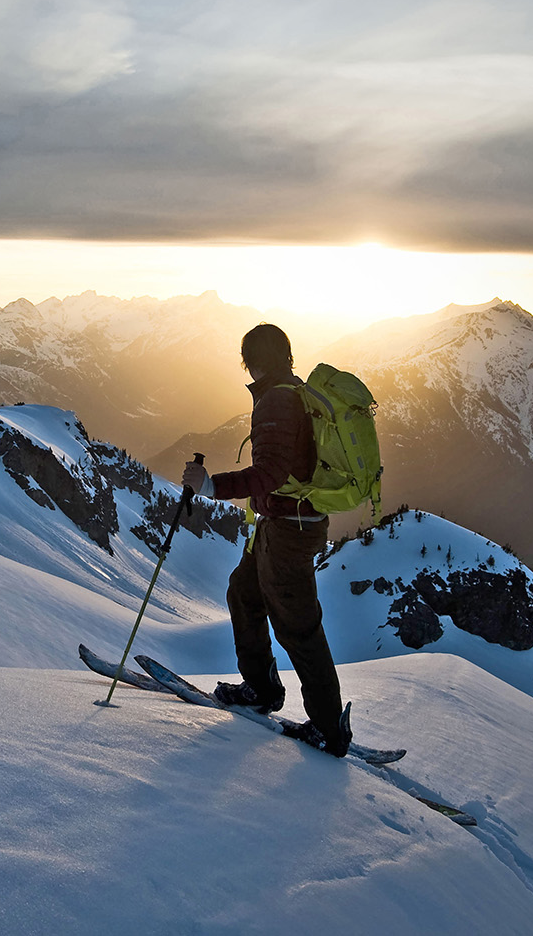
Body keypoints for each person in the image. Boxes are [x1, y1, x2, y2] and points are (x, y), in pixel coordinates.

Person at [182, 323, 351, 757]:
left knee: (297, 626)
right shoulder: (291, 391)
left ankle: (330, 730)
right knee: (243, 593)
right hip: (282, 525)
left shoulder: (277, 400)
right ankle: (260, 687)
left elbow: (271, 471)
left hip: (290, 530)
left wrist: (210, 486)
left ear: (252, 361)